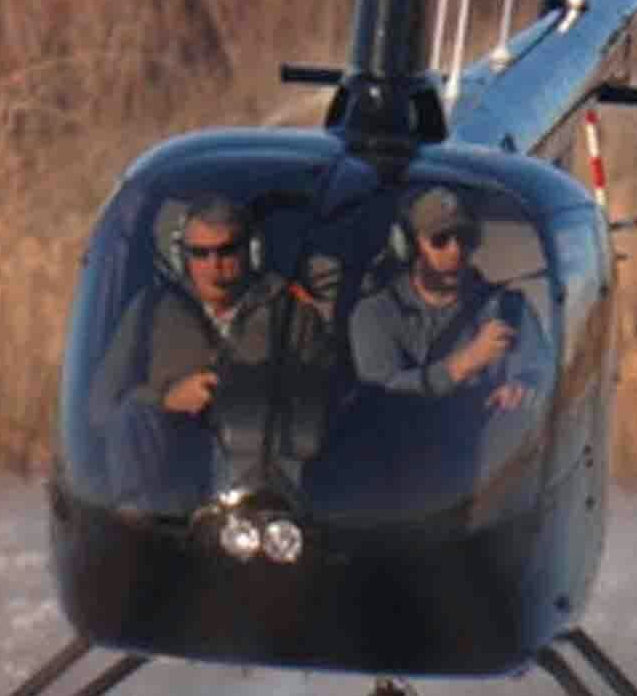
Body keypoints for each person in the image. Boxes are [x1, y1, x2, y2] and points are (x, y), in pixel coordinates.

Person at [112, 196, 331, 496]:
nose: (214, 265)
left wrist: (255, 390)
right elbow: (101, 405)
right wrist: (165, 399)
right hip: (167, 494)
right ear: (181, 256)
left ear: (252, 251)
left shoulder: (293, 315)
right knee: (133, 415)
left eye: (227, 251)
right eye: (200, 254)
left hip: (264, 489)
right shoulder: (149, 312)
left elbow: (326, 404)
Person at [343, 184, 551, 494]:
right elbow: (379, 395)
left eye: (464, 239)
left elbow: (547, 372)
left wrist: (524, 387)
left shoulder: (507, 308)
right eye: (440, 240)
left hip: (487, 474)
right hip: (396, 477)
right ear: (411, 247)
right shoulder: (375, 314)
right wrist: (463, 365)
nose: (455, 251)